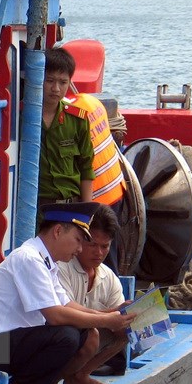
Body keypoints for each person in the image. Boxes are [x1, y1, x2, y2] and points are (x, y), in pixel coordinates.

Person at [0, 202, 136, 384]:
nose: (80, 249)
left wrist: (111, 314)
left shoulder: (46, 263)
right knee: (66, 336)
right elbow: (55, 315)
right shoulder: (29, 258)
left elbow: (67, 305)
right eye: (78, 240)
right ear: (58, 231)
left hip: (5, 345)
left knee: (86, 334)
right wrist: (107, 321)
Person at [58, 203, 129, 377]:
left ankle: (81, 375)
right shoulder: (60, 266)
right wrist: (110, 316)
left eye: (105, 246)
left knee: (127, 330)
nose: (99, 253)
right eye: (93, 244)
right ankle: (57, 379)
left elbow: (118, 322)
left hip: (78, 344)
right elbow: (61, 315)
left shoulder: (109, 277)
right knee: (89, 335)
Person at [65, 92, 127, 274]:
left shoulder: (69, 118)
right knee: (107, 250)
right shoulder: (92, 102)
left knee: (95, 252)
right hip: (116, 189)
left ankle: (104, 287)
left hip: (96, 198)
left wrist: (85, 210)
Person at [38, 48, 95, 209]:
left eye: (63, 82)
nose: (56, 88)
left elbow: (86, 167)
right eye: (50, 80)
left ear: (70, 82)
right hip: (34, 209)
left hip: (70, 207)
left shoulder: (78, 119)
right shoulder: (21, 118)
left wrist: (87, 211)